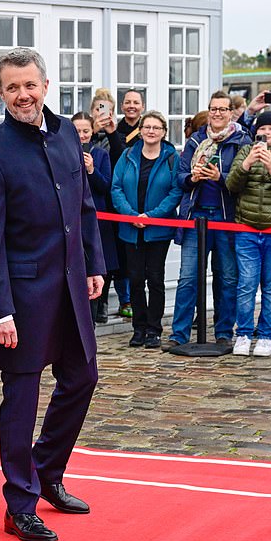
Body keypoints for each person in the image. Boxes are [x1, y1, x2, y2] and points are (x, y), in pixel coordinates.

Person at [0, 48, 105, 541]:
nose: (23, 95)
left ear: (46, 85)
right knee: (21, 399)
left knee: (83, 377)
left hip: (72, 287)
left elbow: (84, 205)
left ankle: (47, 469)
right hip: (22, 300)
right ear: (0, 92)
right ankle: (19, 504)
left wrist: (94, 264)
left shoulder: (69, 132)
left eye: (30, 85)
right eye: (12, 88)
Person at [162, 91, 252, 352]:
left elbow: (243, 181)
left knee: (227, 277)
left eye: (223, 109)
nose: (217, 113)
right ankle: (179, 334)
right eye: (214, 109)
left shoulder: (240, 141)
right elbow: (178, 178)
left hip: (225, 217)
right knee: (188, 277)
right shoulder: (195, 141)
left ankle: (223, 332)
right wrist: (193, 177)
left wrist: (219, 177)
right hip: (196, 216)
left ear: (230, 112)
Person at [226, 111, 271, 357]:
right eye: (262, 129)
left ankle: (267, 335)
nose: (266, 133)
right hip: (246, 227)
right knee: (246, 284)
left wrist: (270, 166)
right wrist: (247, 165)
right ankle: (244, 333)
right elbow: (231, 185)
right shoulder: (245, 152)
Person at [111, 110, 182, 349]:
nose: (151, 131)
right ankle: (138, 328)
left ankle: (154, 329)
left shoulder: (172, 157)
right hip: (130, 228)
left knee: (155, 278)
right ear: (140, 130)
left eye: (156, 127)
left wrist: (152, 216)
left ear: (163, 131)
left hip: (158, 229)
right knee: (135, 278)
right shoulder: (128, 155)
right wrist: (131, 215)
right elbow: (116, 187)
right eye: (147, 127)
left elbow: (175, 192)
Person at [89, 88, 133, 321]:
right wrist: (94, 131)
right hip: (93, 199)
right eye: (99, 108)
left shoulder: (117, 134)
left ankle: (109, 299)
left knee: (111, 255)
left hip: (112, 202)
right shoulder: (86, 131)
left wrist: (111, 132)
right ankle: (98, 302)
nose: (103, 113)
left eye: (107, 109)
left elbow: (121, 157)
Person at [71, 111, 117, 324]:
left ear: (92, 132)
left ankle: (95, 312)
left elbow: (105, 185)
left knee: (96, 267)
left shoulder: (100, 154)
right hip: (71, 218)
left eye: (85, 131)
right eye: (77, 131)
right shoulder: (63, 151)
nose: (81, 135)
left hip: (96, 218)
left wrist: (91, 170)